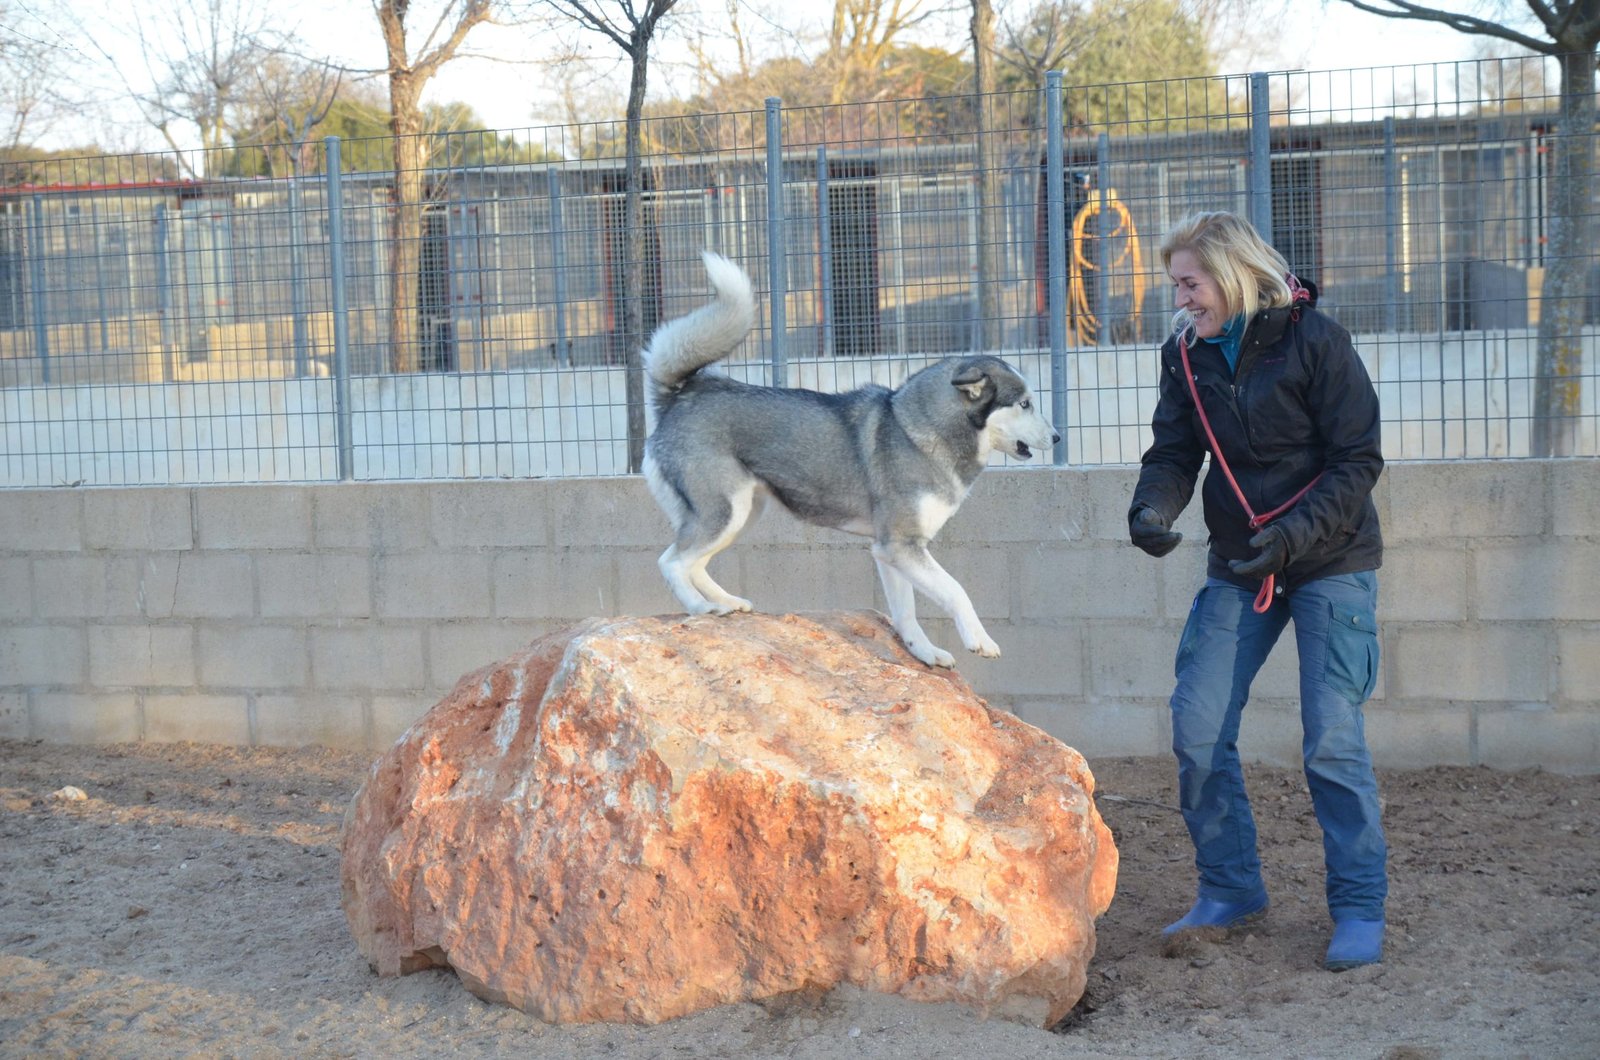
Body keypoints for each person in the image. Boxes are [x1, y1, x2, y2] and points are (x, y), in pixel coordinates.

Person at [1128, 211, 1388, 971]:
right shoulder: (1186, 356)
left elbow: (1358, 460)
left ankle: (1359, 907)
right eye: (1177, 285)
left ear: (1232, 273)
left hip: (1332, 558)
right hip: (1240, 565)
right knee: (1197, 724)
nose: (1181, 299)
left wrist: (1295, 537)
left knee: (1331, 741)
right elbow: (1174, 450)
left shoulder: (1318, 342)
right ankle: (1231, 886)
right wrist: (1152, 506)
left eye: (1189, 283)